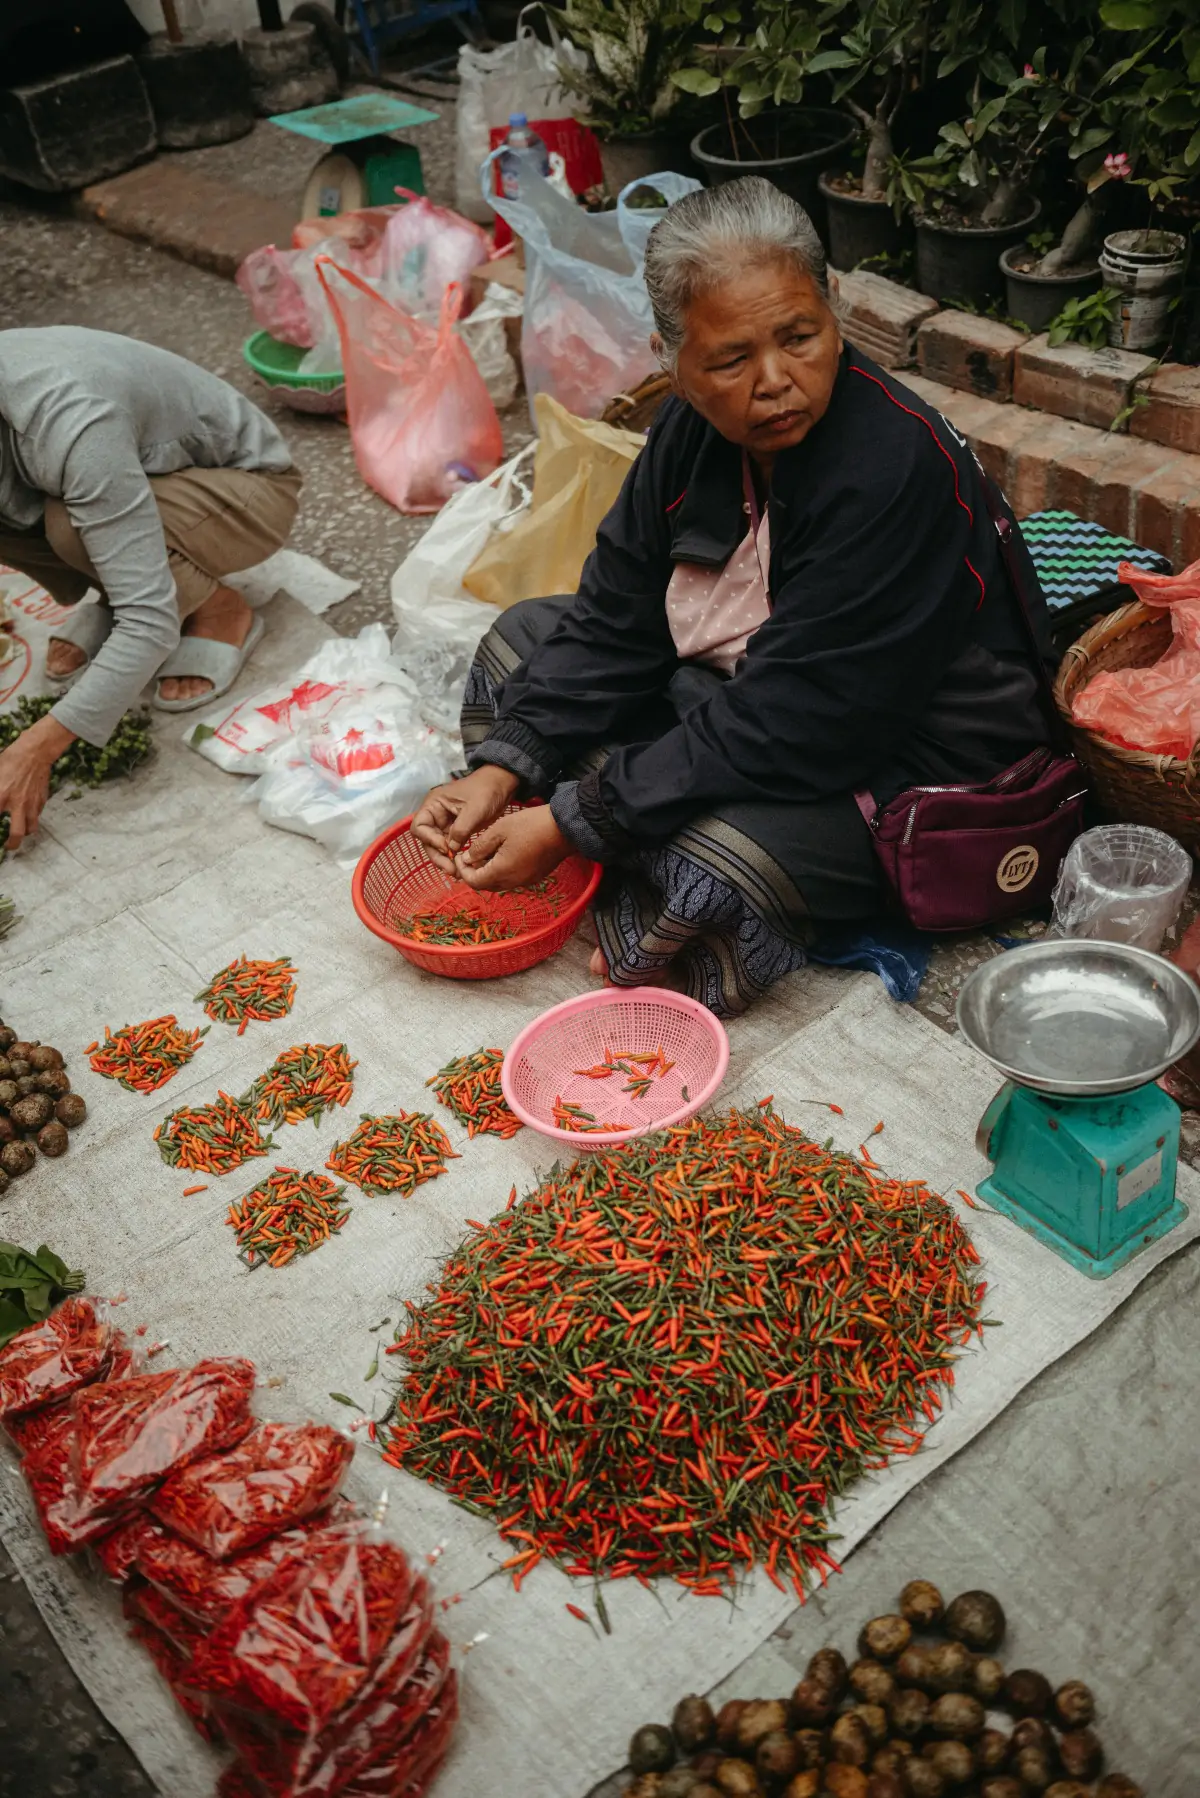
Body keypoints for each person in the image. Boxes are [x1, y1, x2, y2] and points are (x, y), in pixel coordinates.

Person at [412, 178, 1053, 1016]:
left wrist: (574, 820)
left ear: (834, 312)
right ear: (672, 365)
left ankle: (619, 842)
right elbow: (616, 617)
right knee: (523, 642)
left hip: (904, 764)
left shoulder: (894, 466)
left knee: (724, 863)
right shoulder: (689, 432)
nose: (777, 380)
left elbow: (800, 719)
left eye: (800, 336)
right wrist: (506, 766)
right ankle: (604, 823)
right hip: (755, 701)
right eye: (730, 360)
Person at [0, 326, 301, 847]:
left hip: (251, 490)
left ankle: (219, 608)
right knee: (69, 518)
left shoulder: (71, 423)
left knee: (68, 526)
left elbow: (149, 623)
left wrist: (37, 747)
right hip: (128, 478)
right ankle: (117, 582)